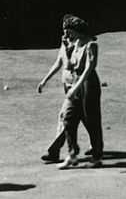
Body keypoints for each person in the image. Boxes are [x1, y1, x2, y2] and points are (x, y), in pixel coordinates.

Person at [38, 16, 102, 167]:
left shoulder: (91, 45)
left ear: (78, 31)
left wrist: (75, 87)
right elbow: (68, 64)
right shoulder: (75, 44)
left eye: (70, 32)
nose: (68, 35)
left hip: (88, 84)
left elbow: (88, 69)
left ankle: (97, 156)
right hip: (75, 82)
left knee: (91, 119)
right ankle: (72, 154)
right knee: (68, 117)